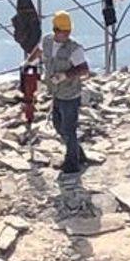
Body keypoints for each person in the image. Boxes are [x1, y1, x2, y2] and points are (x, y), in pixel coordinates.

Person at [28, 10, 91, 173]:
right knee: (58, 125)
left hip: (70, 94)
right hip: (56, 93)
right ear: (55, 30)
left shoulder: (74, 49)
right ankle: (78, 153)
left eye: (67, 32)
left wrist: (65, 75)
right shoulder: (47, 41)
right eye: (62, 31)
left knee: (69, 129)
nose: (65, 35)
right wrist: (28, 62)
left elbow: (84, 69)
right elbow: (39, 50)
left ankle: (72, 164)